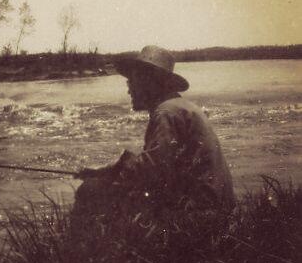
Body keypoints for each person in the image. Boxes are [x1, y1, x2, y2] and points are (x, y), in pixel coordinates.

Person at [72, 45, 235, 223]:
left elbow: (152, 169)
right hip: (214, 206)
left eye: (131, 83)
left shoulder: (166, 112)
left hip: (200, 212)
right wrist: (107, 170)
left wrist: (109, 175)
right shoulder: (177, 106)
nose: (129, 91)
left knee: (89, 190)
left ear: (148, 81)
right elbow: (154, 162)